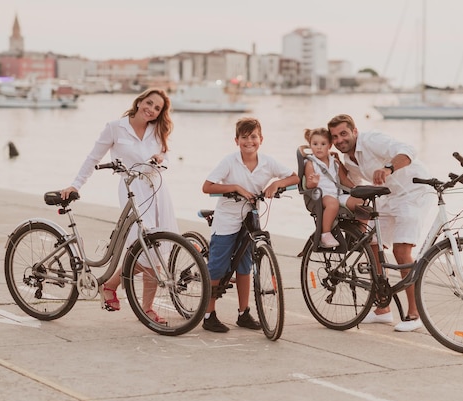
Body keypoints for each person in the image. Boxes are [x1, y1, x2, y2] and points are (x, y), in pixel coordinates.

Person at [60, 88, 177, 324]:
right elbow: (93, 158)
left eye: (157, 108)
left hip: (157, 190)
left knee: (154, 249)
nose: (151, 110)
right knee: (144, 251)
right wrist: (75, 185)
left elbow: (166, 155)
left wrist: (161, 159)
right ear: (139, 101)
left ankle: (115, 288)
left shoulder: (157, 130)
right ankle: (142, 306)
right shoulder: (115, 127)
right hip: (132, 189)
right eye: (149, 103)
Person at [327, 114, 433, 332]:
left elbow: (408, 150)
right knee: (372, 245)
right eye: (334, 137)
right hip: (388, 197)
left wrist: (388, 168)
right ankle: (382, 308)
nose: (339, 140)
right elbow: (353, 185)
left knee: (401, 251)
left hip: (413, 192)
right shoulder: (348, 160)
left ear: (354, 131)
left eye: (343, 134)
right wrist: (337, 167)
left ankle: (414, 313)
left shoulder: (371, 140)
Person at [201, 117, 299, 333]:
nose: (249, 141)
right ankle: (208, 314)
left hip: (250, 220)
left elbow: (295, 178)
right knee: (217, 266)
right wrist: (234, 187)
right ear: (237, 140)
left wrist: (276, 183)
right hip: (227, 219)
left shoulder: (267, 162)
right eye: (244, 137)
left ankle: (243, 312)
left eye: (253, 137)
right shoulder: (229, 161)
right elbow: (207, 187)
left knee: (245, 267)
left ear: (261, 139)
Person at [302, 127, 362, 247]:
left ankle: (361, 234)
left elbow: (343, 180)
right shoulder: (311, 163)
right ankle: (325, 234)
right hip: (321, 195)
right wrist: (313, 182)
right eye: (315, 144)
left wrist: (357, 190)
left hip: (337, 194)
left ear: (329, 145)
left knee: (361, 202)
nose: (319, 147)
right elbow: (308, 185)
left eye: (323, 144)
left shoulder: (334, 161)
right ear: (310, 145)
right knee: (332, 204)